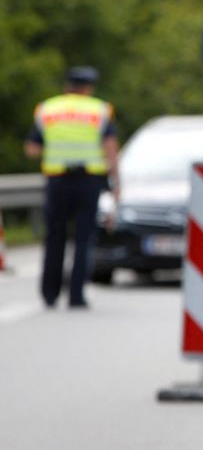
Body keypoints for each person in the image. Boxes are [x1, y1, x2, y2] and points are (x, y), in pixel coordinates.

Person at [25, 66, 119, 309]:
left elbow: (31, 149)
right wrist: (116, 182)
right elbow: (110, 148)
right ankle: (76, 296)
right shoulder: (100, 110)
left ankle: (49, 294)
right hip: (88, 181)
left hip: (57, 180)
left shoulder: (47, 109)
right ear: (89, 87)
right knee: (83, 239)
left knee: (54, 237)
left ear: (67, 86)